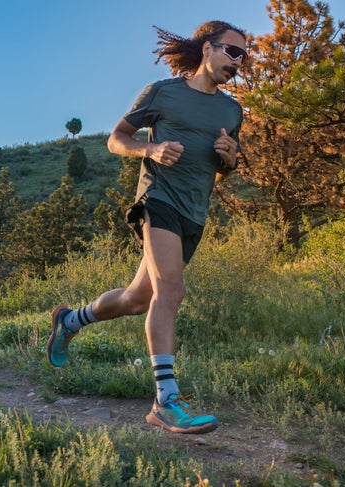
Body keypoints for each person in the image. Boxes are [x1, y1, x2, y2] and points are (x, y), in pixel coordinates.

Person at [46, 20, 247, 434]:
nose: (238, 63)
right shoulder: (164, 92)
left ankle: (69, 321)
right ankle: (166, 400)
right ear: (208, 48)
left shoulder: (231, 110)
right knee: (171, 289)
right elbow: (117, 138)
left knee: (139, 298)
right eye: (232, 52)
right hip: (158, 200)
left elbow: (222, 171)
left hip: (194, 212)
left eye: (243, 56)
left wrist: (230, 159)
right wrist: (151, 148)